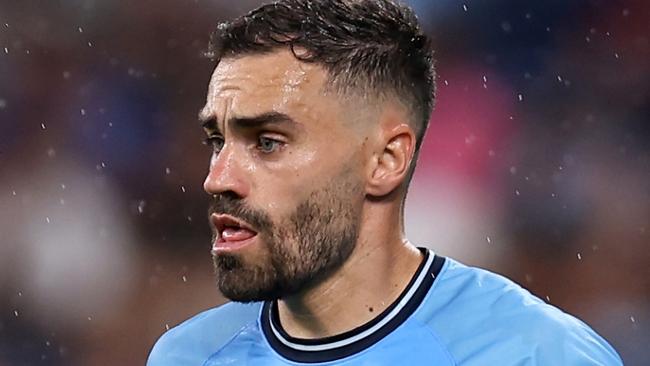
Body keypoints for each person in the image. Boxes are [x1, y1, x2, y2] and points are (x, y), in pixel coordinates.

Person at [147, 0, 622, 364]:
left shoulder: (535, 353)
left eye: (268, 142)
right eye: (217, 140)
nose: (217, 178)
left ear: (385, 160)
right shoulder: (187, 355)